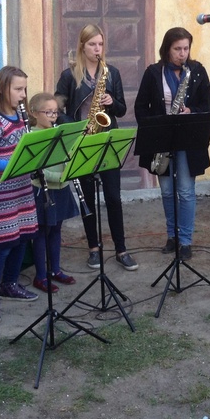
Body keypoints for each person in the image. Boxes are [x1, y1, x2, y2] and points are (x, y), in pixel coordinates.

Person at [55, 24, 138, 271]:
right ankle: (93, 248)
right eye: (92, 44)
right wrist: (77, 129)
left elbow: (122, 109)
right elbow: (58, 111)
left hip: (106, 140)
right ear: (82, 46)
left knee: (113, 197)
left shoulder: (111, 72)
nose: (97, 49)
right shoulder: (69, 75)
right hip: (83, 142)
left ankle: (121, 249)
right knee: (87, 199)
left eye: (100, 44)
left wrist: (112, 101)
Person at [134, 27, 210, 260]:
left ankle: (186, 240)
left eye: (186, 48)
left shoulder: (197, 71)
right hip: (161, 140)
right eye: (177, 49)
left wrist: (191, 111)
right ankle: (172, 236)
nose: (182, 54)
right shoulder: (152, 72)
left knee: (186, 192)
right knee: (167, 192)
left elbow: (207, 104)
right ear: (167, 49)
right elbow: (141, 107)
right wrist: (153, 130)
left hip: (189, 140)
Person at [0, 66, 39, 323]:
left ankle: (9, 284)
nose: (23, 95)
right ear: (3, 89)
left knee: (22, 237)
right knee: (3, 242)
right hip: (2, 189)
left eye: (24, 88)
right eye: (18, 89)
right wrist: (20, 163)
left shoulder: (20, 117)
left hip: (22, 185)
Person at [27, 92, 79, 292]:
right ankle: (41, 276)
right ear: (33, 113)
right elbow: (37, 167)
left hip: (61, 189)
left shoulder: (60, 132)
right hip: (42, 190)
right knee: (41, 232)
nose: (52, 116)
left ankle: (55, 269)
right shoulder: (32, 136)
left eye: (55, 112)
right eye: (47, 112)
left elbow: (68, 157)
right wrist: (61, 177)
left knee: (57, 229)